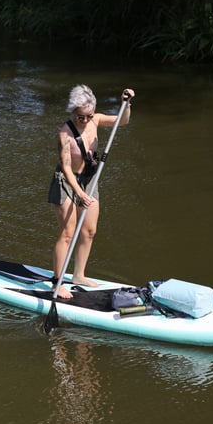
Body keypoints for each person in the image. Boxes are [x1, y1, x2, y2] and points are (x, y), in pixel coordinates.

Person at [48, 84, 134, 298]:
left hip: (90, 180)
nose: (85, 120)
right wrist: (79, 193)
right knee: (68, 234)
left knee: (89, 231)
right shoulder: (64, 134)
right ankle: (57, 282)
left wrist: (127, 103)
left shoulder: (96, 119)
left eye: (88, 116)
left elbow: (122, 121)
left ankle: (79, 274)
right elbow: (66, 168)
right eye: (80, 117)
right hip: (67, 182)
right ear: (73, 112)